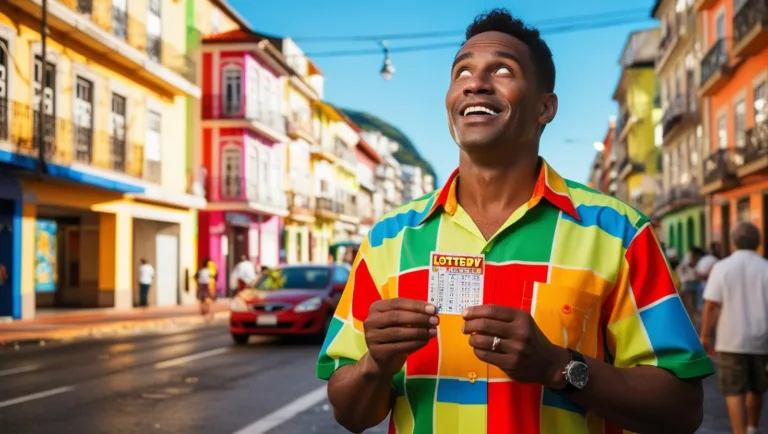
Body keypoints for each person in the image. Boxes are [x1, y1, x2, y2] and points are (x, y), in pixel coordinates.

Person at [317, 9, 713, 434]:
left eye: (502, 69)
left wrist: (559, 366)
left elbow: (682, 408)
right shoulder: (388, 240)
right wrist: (376, 363)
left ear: (546, 107)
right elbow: (350, 414)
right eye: (461, 72)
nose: (475, 83)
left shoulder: (618, 233)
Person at [700, 222, 768, 434]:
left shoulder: (722, 268)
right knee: (757, 388)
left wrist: (704, 335)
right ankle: (752, 428)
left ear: (733, 243)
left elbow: (711, 305)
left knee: (734, 391)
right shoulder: (765, 267)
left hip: (731, 340)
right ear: (758, 243)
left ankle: (739, 431)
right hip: (761, 339)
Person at [677, 246, 705, 320]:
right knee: (688, 308)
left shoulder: (700, 264)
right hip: (686, 286)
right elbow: (680, 274)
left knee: (694, 307)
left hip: (696, 288)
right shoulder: (684, 265)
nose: (690, 256)